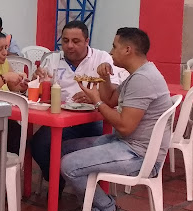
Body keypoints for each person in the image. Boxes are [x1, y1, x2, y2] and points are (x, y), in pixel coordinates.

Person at [62, 27, 172, 211]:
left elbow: (124, 125)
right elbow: (111, 100)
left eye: (114, 46)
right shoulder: (138, 74)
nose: (110, 52)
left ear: (128, 50)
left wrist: (96, 102)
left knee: (69, 164)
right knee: (65, 148)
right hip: (125, 143)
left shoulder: (143, 80)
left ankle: (108, 210)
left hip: (139, 155)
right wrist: (104, 79)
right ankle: (95, 208)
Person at [29, 20, 124, 184]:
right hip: (61, 121)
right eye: (65, 41)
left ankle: (79, 184)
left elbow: (114, 91)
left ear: (87, 41)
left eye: (76, 41)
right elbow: (37, 90)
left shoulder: (102, 58)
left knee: (95, 146)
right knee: (38, 144)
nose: (69, 46)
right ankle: (57, 181)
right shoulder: (53, 59)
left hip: (93, 119)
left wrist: (96, 97)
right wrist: (37, 80)